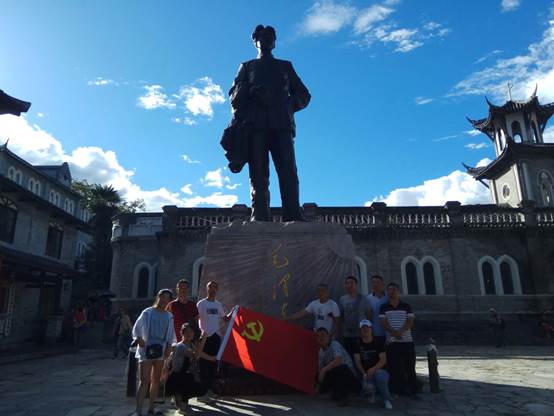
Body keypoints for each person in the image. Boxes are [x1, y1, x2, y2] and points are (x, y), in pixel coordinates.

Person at [224, 24, 311, 221]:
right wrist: (250, 91)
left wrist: (287, 105)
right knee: (258, 173)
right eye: (263, 36)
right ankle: (260, 214)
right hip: (256, 125)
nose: (267, 39)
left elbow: (304, 94)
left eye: (271, 36)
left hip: (281, 124)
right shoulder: (247, 66)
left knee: (288, 171)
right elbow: (233, 96)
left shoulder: (285, 66)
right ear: (255, 41)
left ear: (275, 42)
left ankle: (293, 213)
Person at [132, 289, 177, 416]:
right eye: (163, 297)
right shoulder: (148, 312)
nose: (164, 300)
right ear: (158, 297)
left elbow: (171, 334)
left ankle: (151, 407)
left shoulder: (169, 316)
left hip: (160, 350)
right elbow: (137, 328)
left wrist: (169, 346)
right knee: (144, 379)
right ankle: (138, 411)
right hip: (146, 349)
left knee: (156, 379)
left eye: (167, 298)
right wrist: (139, 338)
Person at [163, 324, 216, 414]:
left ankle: (182, 401)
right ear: (182, 333)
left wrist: (212, 358)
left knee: (199, 387)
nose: (189, 334)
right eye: (186, 332)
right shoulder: (180, 346)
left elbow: (199, 354)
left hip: (185, 377)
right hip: (176, 378)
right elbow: (196, 355)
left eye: (191, 332)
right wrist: (203, 338)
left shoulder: (191, 345)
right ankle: (180, 403)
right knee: (188, 380)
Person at [379, 282, 418, 398]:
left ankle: (413, 390)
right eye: (389, 290)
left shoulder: (406, 306)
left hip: (407, 341)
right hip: (392, 342)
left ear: (398, 291)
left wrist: (399, 332)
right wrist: (394, 333)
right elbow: (383, 323)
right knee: (395, 367)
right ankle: (399, 390)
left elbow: (410, 322)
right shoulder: (384, 307)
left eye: (394, 289)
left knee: (410, 366)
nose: (392, 292)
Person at [196, 281, 229, 401]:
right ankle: (201, 394)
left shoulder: (218, 304)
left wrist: (233, 314)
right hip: (205, 337)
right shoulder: (201, 304)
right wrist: (199, 334)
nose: (212, 289)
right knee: (203, 365)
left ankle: (209, 391)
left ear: (217, 289)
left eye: (215, 287)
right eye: (210, 287)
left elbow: (224, 318)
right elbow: (196, 319)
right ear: (207, 288)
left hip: (216, 337)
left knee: (212, 365)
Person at [353, 320, 393, 410]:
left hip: (380, 371)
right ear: (360, 331)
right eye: (363, 328)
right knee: (368, 390)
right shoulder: (357, 343)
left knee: (380, 376)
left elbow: (383, 360)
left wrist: (373, 369)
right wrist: (363, 373)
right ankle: (372, 393)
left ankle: (387, 399)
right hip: (365, 373)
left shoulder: (378, 342)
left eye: (367, 327)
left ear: (371, 329)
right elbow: (357, 361)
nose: (365, 329)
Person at [316, 327, 359, 407]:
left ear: (328, 336)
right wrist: (319, 382)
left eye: (323, 335)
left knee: (338, 368)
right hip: (335, 375)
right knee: (320, 373)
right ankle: (333, 392)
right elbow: (320, 369)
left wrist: (323, 370)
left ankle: (345, 396)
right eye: (318, 336)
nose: (321, 338)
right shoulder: (320, 352)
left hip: (348, 375)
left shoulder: (335, 344)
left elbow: (338, 360)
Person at [339, 276, 372, 356]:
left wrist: (366, 327)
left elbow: (369, 313)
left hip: (361, 334)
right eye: (347, 283)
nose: (350, 285)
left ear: (356, 284)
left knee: (362, 356)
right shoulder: (342, 299)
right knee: (349, 355)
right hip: (347, 334)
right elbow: (341, 315)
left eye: (352, 283)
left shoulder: (363, 298)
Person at [367, 275, 388, 349]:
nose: (375, 284)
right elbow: (368, 316)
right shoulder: (368, 299)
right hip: (375, 332)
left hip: (389, 332)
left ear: (383, 284)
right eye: (373, 282)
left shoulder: (388, 297)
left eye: (378, 282)